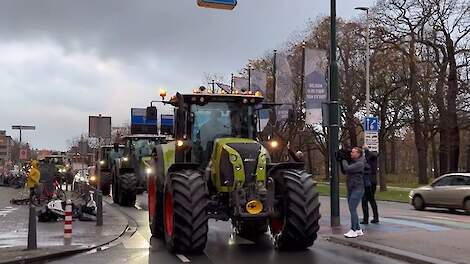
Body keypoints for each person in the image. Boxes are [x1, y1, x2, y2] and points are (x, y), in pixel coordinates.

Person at [341, 147, 366, 238]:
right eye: (351, 152)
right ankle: (358, 230)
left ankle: (353, 230)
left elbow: (347, 168)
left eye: (353, 152)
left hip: (358, 189)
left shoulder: (359, 163)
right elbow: (344, 170)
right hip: (351, 189)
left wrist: (343, 159)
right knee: (352, 209)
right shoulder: (354, 162)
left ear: (358, 154)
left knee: (352, 209)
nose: (351, 153)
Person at [361, 146, 379, 224]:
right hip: (373, 181)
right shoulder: (373, 160)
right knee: (371, 199)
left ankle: (366, 219)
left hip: (369, 181)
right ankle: (375, 217)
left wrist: (366, 150)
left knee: (364, 200)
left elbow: (369, 156)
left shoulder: (369, 159)